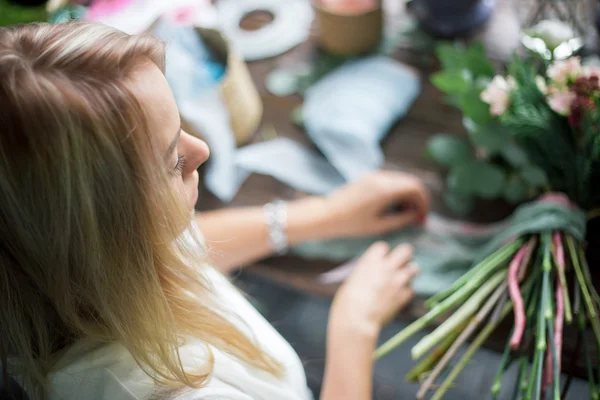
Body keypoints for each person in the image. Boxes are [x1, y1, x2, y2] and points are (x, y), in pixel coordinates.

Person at [0, 22, 429, 400]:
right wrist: (354, 328)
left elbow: (184, 242)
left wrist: (324, 215)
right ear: (102, 230)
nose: (201, 150)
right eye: (172, 161)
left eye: (181, 124)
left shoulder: (63, 273)